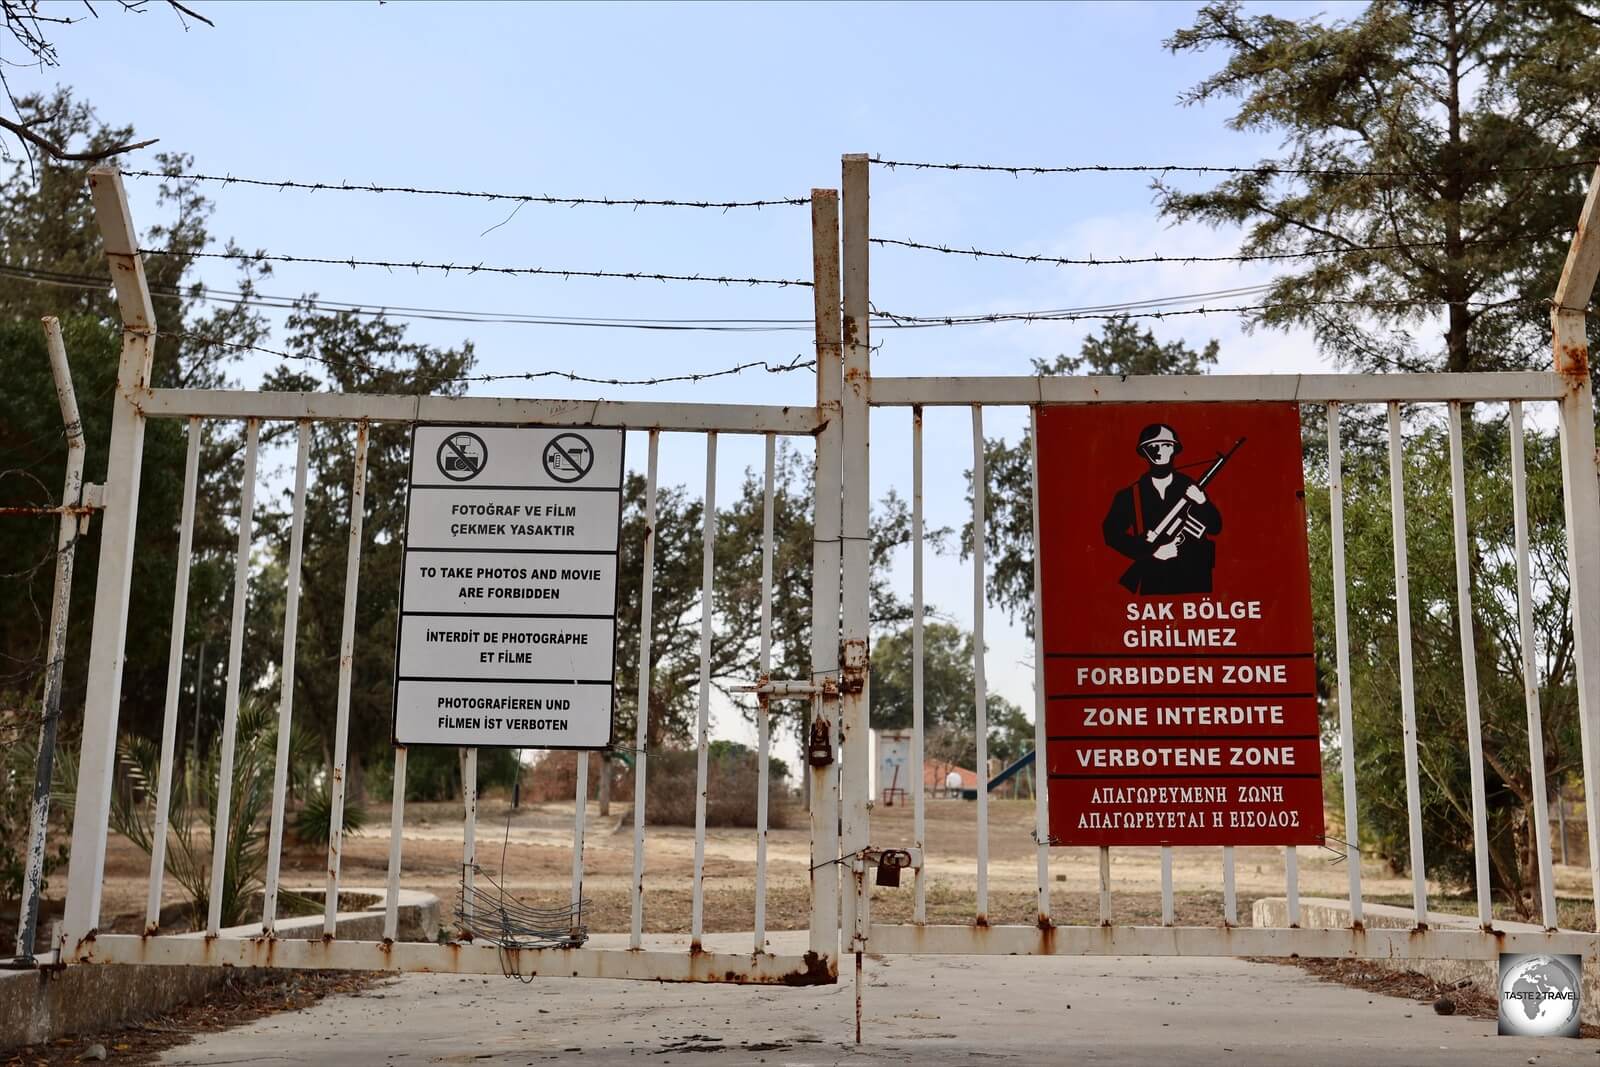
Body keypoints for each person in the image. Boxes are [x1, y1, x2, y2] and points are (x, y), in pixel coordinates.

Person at [1101, 423, 1222, 595]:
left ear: (1174, 449)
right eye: (1152, 446)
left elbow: (1216, 527)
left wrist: (1202, 502)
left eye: (1166, 445)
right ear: (1144, 452)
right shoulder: (1130, 495)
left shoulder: (1190, 487)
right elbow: (1111, 534)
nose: (1159, 451)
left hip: (1195, 579)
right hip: (1155, 580)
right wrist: (1152, 552)